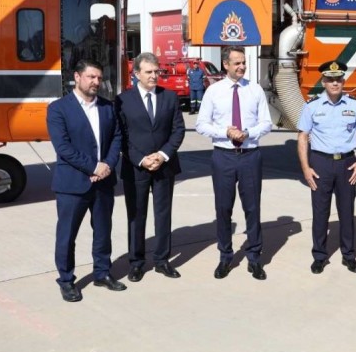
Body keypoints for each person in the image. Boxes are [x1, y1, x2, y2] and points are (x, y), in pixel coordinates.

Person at [46, 59, 124, 302]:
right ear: (77, 77)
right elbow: (63, 148)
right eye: (91, 77)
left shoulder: (107, 107)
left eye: (99, 78)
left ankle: (102, 273)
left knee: (103, 231)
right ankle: (66, 280)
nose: (96, 82)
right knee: (67, 235)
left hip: (103, 182)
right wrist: (93, 166)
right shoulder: (58, 109)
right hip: (72, 184)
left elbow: (117, 138)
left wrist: (107, 165)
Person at [196, 46, 272, 280]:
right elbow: (201, 124)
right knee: (223, 208)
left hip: (250, 155)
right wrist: (225, 132)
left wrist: (247, 133)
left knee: (252, 208)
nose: (241, 67)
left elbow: (266, 123)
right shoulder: (214, 91)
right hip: (224, 156)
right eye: (237, 63)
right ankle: (225, 256)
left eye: (243, 62)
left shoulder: (255, 90)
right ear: (226, 65)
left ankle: (254, 258)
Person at [116, 52, 186, 283]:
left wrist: (163, 155)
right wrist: (140, 159)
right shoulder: (123, 100)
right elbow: (121, 135)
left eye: (157, 71)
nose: (154, 76)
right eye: (149, 72)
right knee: (136, 215)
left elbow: (178, 130)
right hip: (136, 167)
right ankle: (136, 263)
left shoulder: (169, 97)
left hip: (164, 166)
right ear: (136, 74)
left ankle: (162, 260)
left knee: (163, 215)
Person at [297, 60, 356, 274]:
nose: (335, 83)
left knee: (347, 211)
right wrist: (306, 168)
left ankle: (349, 255)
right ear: (323, 82)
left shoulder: (355, 104)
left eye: (338, 79)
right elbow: (302, 137)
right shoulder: (312, 106)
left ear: (343, 81)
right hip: (321, 163)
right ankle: (319, 256)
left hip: (347, 163)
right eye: (330, 79)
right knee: (320, 212)